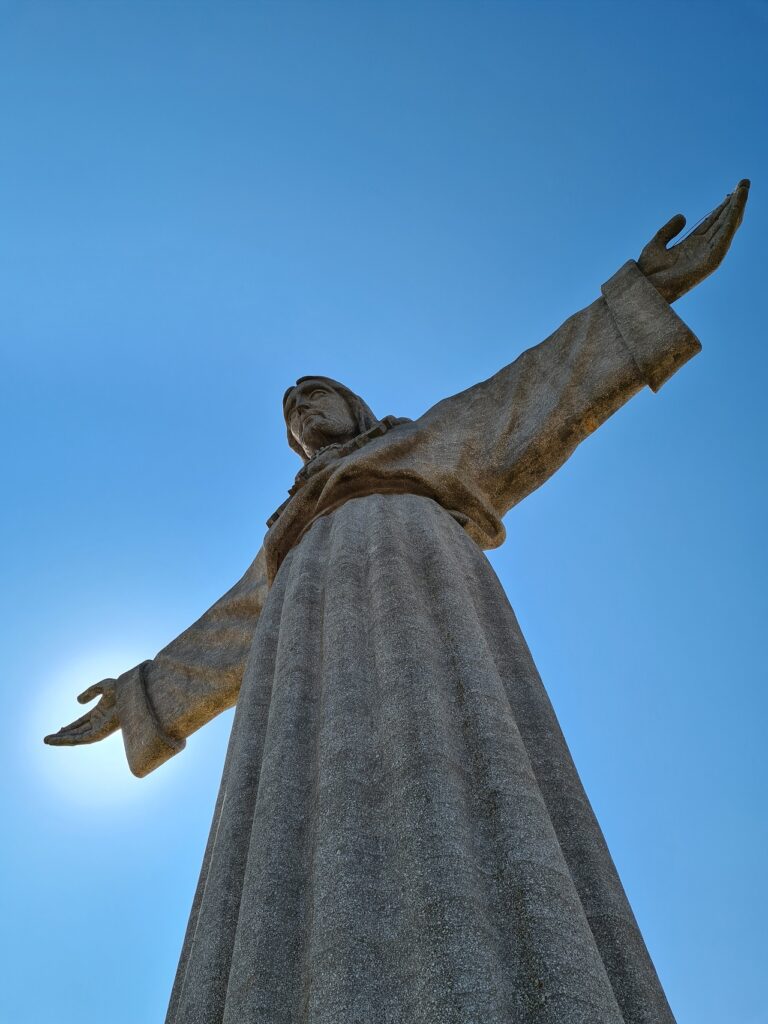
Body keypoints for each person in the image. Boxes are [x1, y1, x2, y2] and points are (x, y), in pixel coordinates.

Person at [46, 182, 750, 1024]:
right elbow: (231, 628)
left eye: (315, 393)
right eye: (291, 411)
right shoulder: (287, 535)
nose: (303, 410)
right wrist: (142, 696)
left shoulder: (427, 444)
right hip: (306, 632)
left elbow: (534, 388)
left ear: (354, 406)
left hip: (421, 570)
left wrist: (640, 295)